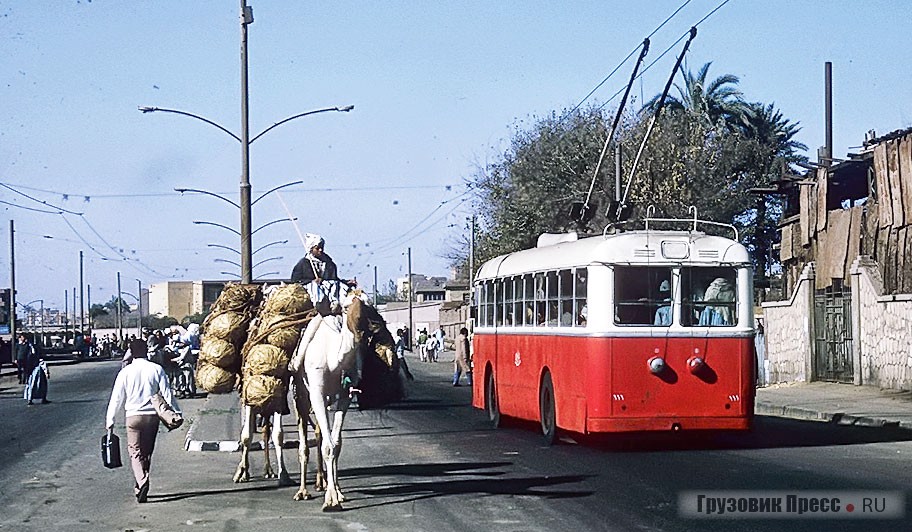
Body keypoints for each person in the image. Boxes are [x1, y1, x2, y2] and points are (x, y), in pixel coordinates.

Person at [105, 343, 180, 503]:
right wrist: (176, 412)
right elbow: (167, 393)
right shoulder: (156, 369)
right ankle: (140, 486)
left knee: (135, 452)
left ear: (131, 353)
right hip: (152, 416)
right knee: (146, 453)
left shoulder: (125, 372)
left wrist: (110, 419)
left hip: (133, 417)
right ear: (147, 351)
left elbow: (116, 398)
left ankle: (142, 480)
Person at [290, 233, 356, 315]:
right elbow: (295, 281)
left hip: (329, 289)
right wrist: (312, 281)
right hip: (310, 290)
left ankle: (336, 304)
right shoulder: (303, 263)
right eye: (317, 248)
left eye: (322, 248)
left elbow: (334, 278)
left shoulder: (329, 263)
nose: (320, 250)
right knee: (314, 286)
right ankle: (319, 304)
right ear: (311, 249)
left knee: (335, 284)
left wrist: (346, 282)